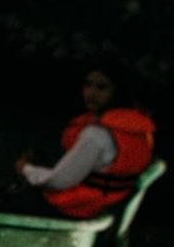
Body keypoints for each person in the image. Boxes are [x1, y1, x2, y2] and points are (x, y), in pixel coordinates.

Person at [18, 65, 156, 219]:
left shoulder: (97, 134)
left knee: (19, 193)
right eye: (88, 85)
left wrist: (25, 168)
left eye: (102, 87)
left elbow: (58, 182)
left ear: (118, 92)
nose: (92, 93)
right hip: (109, 205)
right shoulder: (139, 128)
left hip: (80, 210)